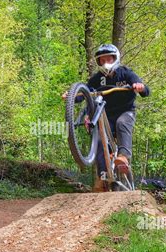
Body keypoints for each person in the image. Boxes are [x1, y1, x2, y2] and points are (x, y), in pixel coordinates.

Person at [62, 44, 150, 192]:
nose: (105, 63)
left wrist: (139, 87)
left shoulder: (126, 73)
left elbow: (145, 90)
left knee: (122, 124)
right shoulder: (97, 79)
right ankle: (102, 178)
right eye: (102, 60)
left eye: (108, 59)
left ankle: (123, 156)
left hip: (125, 112)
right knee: (98, 139)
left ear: (115, 58)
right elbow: (86, 93)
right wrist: (71, 96)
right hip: (106, 116)